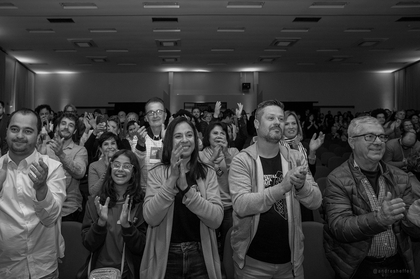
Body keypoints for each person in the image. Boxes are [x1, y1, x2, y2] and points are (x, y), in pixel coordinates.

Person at [229, 100, 322, 278]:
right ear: (257, 124)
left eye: (281, 118)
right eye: (270, 118)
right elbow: (241, 205)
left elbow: (316, 201)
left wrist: (301, 185)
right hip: (252, 263)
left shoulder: (295, 158)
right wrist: (282, 187)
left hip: (291, 261)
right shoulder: (243, 160)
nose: (278, 122)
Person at [323, 116, 420, 279]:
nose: (378, 142)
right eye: (369, 136)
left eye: (382, 136)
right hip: (358, 266)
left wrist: (411, 222)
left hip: (398, 264)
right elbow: (340, 227)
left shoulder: (401, 176)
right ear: (352, 142)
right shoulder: (337, 179)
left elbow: (412, 233)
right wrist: (379, 219)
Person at [140, 117, 223, 279]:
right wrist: (172, 180)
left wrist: (186, 189)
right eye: (178, 136)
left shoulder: (208, 173)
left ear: (196, 139)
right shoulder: (157, 173)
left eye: (189, 135)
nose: (185, 140)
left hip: (201, 254)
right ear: (169, 141)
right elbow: (150, 217)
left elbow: (216, 219)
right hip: (166, 255)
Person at [0, 108, 66, 278]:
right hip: (7, 266)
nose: (20, 135)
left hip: (43, 266)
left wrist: (41, 188)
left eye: (28, 131)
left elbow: (50, 218)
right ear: (6, 132)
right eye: (14, 129)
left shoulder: (52, 167)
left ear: (38, 136)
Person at [81, 149, 146, 279]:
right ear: (110, 168)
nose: (120, 169)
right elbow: (88, 244)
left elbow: (142, 247)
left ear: (134, 172)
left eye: (126, 166)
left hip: (129, 273)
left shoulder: (141, 204)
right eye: (116, 165)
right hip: (99, 273)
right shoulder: (96, 202)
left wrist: (127, 226)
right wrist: (100, 223)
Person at [199, 121, 239, 258]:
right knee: (211, 246)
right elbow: (201, 177)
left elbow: (237, 176)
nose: (219, 136)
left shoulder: (234, 152)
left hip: (230, 207)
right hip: (210, 207)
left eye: (222, 133)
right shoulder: (201, 155)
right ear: (208, 136)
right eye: (215, 133)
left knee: (229, 247)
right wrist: (213, 158)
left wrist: (226, 154)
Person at [44, 112, 88, 222]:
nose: (66, 127)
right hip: (46, 206)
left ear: (75, 131)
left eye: (71, 125)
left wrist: (61, 155)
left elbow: (80, 172)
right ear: (58, 127)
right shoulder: (46, 148)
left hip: (69, 208)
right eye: (63, 123)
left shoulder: (80, 150)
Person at [282, 110, 325, 221]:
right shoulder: (277, 147)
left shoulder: (302, 146)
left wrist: (312, 152)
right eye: (287, 124)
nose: (291, 127)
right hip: (286, 199)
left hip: (304, 196)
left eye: (294, 123)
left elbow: (310, 174)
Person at [88, 132, 119, 196]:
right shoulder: (94, 166)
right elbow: (93, 192)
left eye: (113, 143)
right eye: (106, 144)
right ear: (101, 149)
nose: (110, 147)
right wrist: (108, 170)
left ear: (117, 146)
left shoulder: (124, 163)